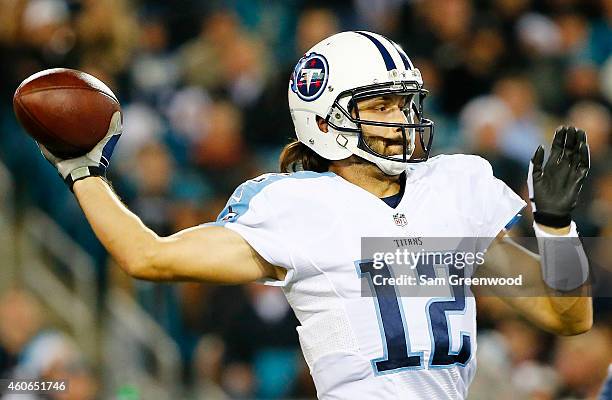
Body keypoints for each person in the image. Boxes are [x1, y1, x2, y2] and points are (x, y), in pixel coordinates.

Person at [38, 31, 592, 399]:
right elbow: (147, 256)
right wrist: (82, 170)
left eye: (406, 103)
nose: (403, 118)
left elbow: (569, 318)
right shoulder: (292, 205)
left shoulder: (454, 187)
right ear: (325, 122)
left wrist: (557, 229)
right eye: (381, 106)